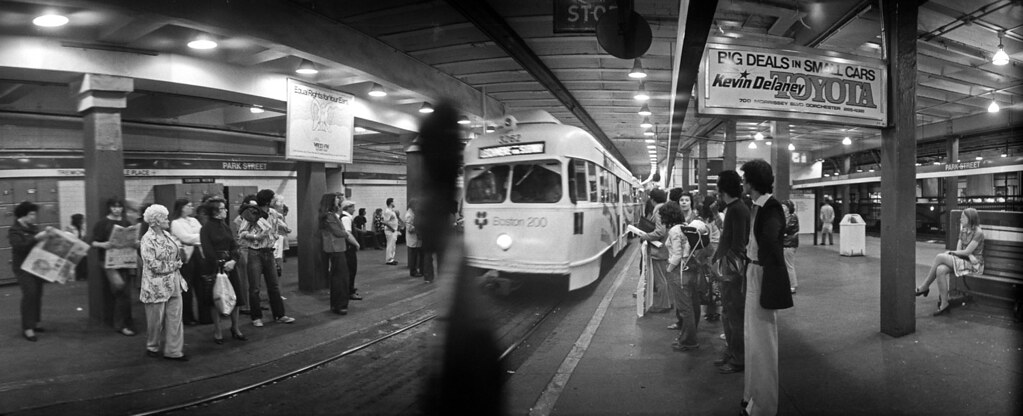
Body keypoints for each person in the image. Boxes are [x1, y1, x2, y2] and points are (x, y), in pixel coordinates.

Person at [740, 159, 792, 416]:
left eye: (744, 179)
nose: (743, 183)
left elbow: (771, 240)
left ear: (751, 181)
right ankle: (752, 396)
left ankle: (764, 406)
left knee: (762, 341)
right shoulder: (758, 205)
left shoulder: (770, 207)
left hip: (761, 273)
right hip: (755, 269)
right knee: (753, 337)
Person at [238, 189, 295, 327]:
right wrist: (256, 236)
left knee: (274, 286)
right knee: (255, 288)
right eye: (274, 198)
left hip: (269, 252)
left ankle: (280, 315)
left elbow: (279, 225)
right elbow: (241, 233)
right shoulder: (252, 213)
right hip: (255, 253)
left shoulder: (273, 213)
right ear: (268, 200)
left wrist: (285, 229)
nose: (277, 201)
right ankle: (256, 317)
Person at [139, 204, 188, 361]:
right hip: (156, 286)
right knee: (156, 321)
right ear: (155, 222)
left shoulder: (167, 234)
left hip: (174, 282)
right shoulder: (147, 240)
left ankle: (174, 351)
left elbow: (175, 254)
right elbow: (152, 264)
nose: (168, 220)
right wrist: (174, 265)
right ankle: (152, 346)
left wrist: (179, 258)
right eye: (164, 218)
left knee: (175, 318)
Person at [712, 170, 749, 375]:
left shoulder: (737, 210)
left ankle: (738, 359)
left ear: (722, 187)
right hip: (730, 271)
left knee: (734, 315)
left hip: (732, 273)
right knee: (727, 314)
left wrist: (725, 268)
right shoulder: (735, 208)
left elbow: (737, 245)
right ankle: (732, 353)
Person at [915, 208, 985, 316]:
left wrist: (955, 253)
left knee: (940, 257)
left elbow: (965, 251)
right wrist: (966, 254)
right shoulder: (963, 230)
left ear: (970, 219)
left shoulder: (978, 233)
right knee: (940, 270)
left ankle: (925, 286)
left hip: (974, 264)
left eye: (963, 217)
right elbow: (960, 251)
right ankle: (944, 304)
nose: (960, 219)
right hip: (963, 260)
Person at [199, 197, 246, 344]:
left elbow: (234, 245)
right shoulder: (206, 228)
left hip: (230, 265)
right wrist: (221, 264)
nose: (226, 210)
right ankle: (218, 331)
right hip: (214, 267)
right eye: (223, 208)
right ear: (215, 212)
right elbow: (208, 250)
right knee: (216, 298)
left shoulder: (225, 226)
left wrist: (233, 260)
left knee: (235, 297)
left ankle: (235, 328)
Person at [91, 197, 137, 337]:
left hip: (124, 260)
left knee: (124, 294)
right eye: (114, 207)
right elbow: (92, 242)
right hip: (108, 261)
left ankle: (122, 323)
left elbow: (131, 240)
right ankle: (121, 325)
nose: (117, 209)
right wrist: (102, 244)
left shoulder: (126, 222)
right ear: (109, 208)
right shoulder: (102, 223)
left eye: (119, 207)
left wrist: (136, 243)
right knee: (120, 288)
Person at [10, 202, 54, 342]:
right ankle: (27, 328)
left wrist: (48, 235)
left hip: (35, 264)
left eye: (35, 214)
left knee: (37, 294)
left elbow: (39, 245)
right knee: (30, 294)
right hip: (22, 267)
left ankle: (35, 322)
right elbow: (20, 247)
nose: (34, 217)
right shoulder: (14, 230)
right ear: (23, 215)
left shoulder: (33, 228)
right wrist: (36, 238)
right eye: (32, 214)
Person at [662, 202, 701, 352]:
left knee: (685, 308)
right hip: (691, 267)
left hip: (680, 270)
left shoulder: (674, 230)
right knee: (693, 303)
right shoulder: (686, 225)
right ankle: (691, 334)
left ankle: (688, 341)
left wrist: (669, 268)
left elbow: (677, 255)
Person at [170, 199, 206, 326]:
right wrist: (197, 237)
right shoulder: (175, 222)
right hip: (186, 257)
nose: (191, 207)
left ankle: (204, 316)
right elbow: (185, 238)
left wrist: (194, 238)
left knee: (202, 286)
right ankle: (188, 317)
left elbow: (203, 233)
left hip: (198, 254)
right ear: (181, 208)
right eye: (188, 205)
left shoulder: (194, 220)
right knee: (187, 288)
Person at [319, 193, 356, 315]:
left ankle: (337, 304)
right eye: (336, 200)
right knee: (341, 279)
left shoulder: (329, 215)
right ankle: (339, 305)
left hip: (337, 249)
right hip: (336, 249)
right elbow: (338, 232)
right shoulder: (329, 216)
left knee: (338, 278)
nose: (338, 201)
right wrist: (346, 233)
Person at [636, 188, 672, 313]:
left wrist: (645, 236)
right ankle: (668, 302)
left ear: (652, 200)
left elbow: (660, 231)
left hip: (659, 249)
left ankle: (664, 305)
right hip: (665, 249)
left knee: (660, 279)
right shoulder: (666, 209)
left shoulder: (659, 212)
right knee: (665, 278)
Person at [339, 200, 363, 299]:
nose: (354, 209)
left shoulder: (346, 218)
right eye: (352, 207)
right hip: (348, 248)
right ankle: (349, 291)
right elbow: (348, 234)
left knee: (350, 269)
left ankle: (350, 289)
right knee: (351, 269)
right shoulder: (346, 219)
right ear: (347, 208)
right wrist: (356, 243)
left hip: (347, 248)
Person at [270, 194, 291, 284]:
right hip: (275, 240)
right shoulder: (272, 213)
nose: (282, 204)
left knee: (279, 261)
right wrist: (283, 226)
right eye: (281, 202)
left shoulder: (280, 214)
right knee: (276, 262)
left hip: (281, 238)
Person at [781, 200, 800, 294]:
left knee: (789, 265)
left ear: (789, 208)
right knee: (786, 265)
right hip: (786, 243)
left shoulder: (792, 217)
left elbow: (785, 228)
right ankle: (788, 284)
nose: (782, 207)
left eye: (784, 206)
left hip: (789, 244)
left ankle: (793, 285)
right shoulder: (785, 217)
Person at [65, 213, 88, 281]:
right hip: (73, 253)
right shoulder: (70, 229)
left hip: (82, 253)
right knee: (76, 272)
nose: (84, 221)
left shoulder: (82, 228)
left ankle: (83, 278)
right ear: (78, 220)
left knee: (83, 268)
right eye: (83, 220)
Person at [405, 199, 423, 278]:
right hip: (413, 238)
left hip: (414, 238)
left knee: (415, 256)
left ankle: (414, 270)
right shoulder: (409, 215)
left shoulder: (412, 213)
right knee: (413, 257)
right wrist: (418, 226)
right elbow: (409, 228)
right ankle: (413, 271)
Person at [382, 198, 400, 265]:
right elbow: (385, 222)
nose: (394, 204)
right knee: (390, 245)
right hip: (390, 231)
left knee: (393, 246)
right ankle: (389, 260)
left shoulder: (391, 211)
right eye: (394, 202)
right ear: (391, 203)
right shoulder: (388, 211)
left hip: (393, 231)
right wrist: (392, 229)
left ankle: (392, 259)